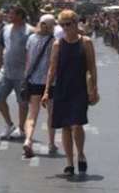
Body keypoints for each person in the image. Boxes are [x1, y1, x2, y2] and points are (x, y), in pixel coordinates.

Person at [42, 10, 99, 176]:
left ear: (76, 23)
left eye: (69, 24)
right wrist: (46, 91)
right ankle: (69, 162)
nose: (66, 28)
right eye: (63, 25)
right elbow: (52, 69)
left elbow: (92, 67)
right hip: (62, 89)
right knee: (65, 127)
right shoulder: (57, 44)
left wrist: (94, 88)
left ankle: (80, 153)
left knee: (77, 124)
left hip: (79, 89)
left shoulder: (86, 42)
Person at [0, 6, 34, 139]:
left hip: (22, 72)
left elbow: (32, 52)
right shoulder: (5, 29)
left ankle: (21, 128)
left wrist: (30, 71)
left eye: (12, 14)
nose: (9, 16)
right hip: (6, 70)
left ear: (20, 15)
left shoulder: (30, 31)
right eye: (8, 13)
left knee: (22, 102)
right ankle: (9, 125)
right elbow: (1, 47)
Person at [22, 14, 57, 158]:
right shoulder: (54, 42)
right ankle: (51, 143)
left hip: (33, 81)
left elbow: (28, 59)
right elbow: (54, 63)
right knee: (51, 113)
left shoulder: (31, 39)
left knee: (32, 113)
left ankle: (28, 140)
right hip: (49, 83)